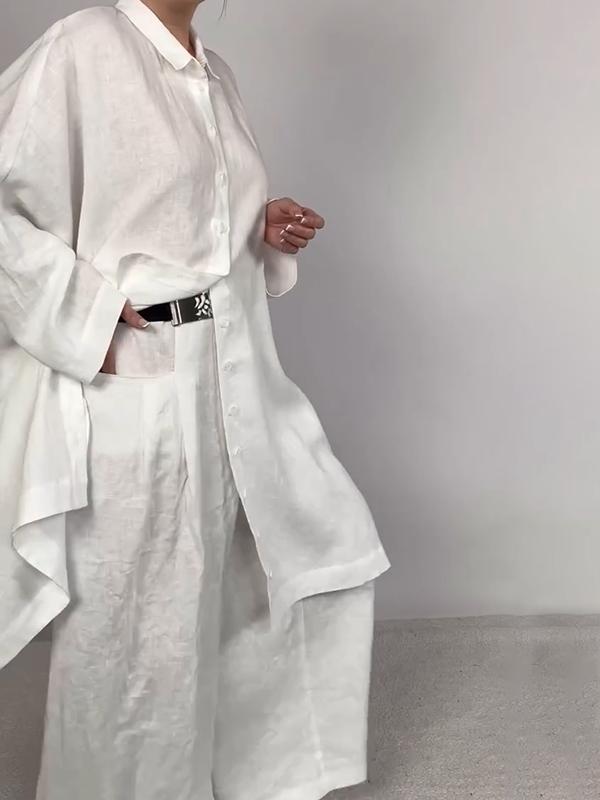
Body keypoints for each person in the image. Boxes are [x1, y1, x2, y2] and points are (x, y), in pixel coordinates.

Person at [0, 1, 392, 798]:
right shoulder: (86, 46)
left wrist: (259, 226)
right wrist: (85, 313)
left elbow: (190, 226)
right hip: (135, 385)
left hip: (230, 377)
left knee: (242, 590)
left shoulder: (215, 75)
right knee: (135, 628)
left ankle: (243, 778)